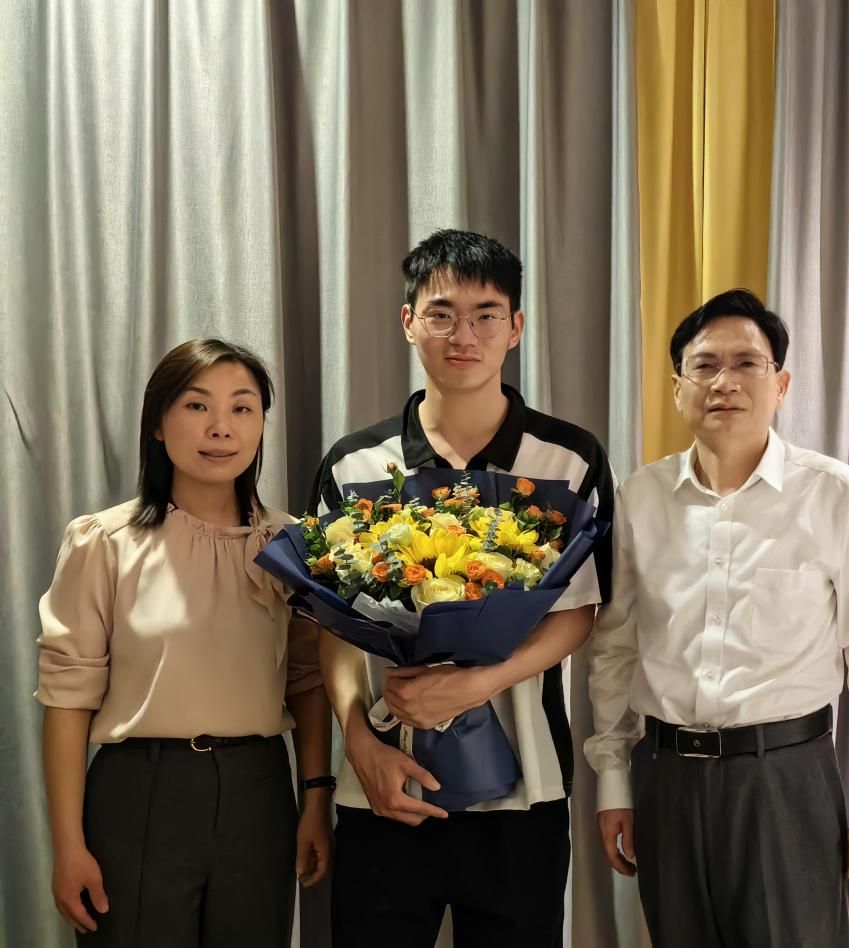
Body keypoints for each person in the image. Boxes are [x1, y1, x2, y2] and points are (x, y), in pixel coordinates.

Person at [584, 288, 849, 947]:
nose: (725, 382)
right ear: (677, 387)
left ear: (781, 385)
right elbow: (615, 647)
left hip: (786, 780)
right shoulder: (640, 498)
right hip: (666, 779)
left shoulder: (835, 496)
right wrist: (615, 780)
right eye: (705, 366)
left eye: (747, 364)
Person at [312, 229, 615, 947]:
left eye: (486, 315)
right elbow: (329, 625)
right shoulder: (357, 463)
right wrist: (357, 741)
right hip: (382, 782)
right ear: (408, 321)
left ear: (515, 327)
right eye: (441, 314)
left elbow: (581, 611)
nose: (464, 335)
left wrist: (480, 683)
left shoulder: (567, 458)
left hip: (526, 784)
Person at [37, 339, 333, 948]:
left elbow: (308, 681)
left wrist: (315, 797)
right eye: (197, 406)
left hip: (258, 792)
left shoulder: (293, 546)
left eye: (242, 408)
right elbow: (68, 698)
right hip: (140, 791)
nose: (221, 427)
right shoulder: (105, 543)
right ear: (157, 423)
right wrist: (67, 845)